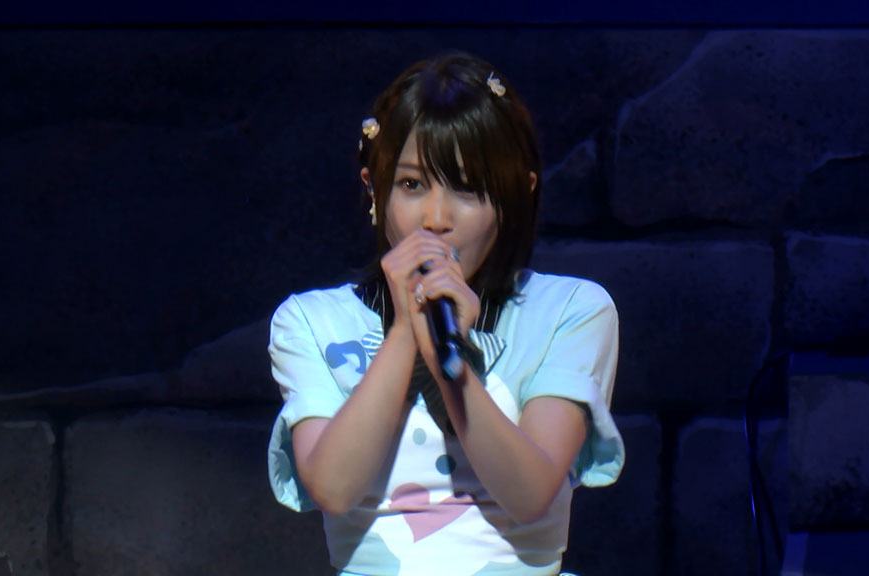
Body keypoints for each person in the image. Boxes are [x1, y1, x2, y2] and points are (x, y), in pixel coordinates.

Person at [267, 52, 624, 575]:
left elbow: (530, 495)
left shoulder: (570, 312)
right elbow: (333, 488)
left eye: (468, 187)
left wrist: (448, 360)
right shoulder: (311, 322)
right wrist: (404, 333)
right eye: (412, 185)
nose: (435, 219)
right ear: (374, 188)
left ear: (517, 194)